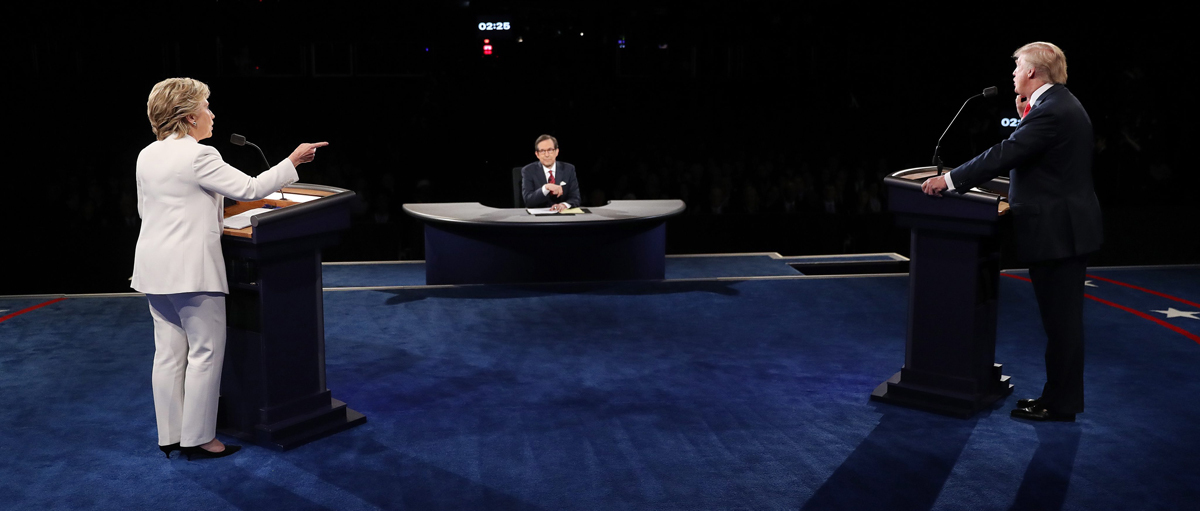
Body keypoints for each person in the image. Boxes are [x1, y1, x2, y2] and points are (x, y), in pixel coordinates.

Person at [132, 77, 328, 458]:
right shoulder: (199, 156)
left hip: (154, 268)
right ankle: (201, 439)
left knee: (169, 353)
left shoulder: (146, 154)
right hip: (191, 270)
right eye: (206, 107)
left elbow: (147, 211)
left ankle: (170, 435)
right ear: (189, 117)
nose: (212, 114)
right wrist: (293, 161)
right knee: (205, 352)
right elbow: (252, 188)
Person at [921, 42, 1103, 422]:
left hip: (1060, 233)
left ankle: (1061, 403)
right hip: (1063, 229)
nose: (1014, 73)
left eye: (1018, 66)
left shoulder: (1052, 111)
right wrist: (1024, 117)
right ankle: (1056, 397)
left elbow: (1004, 154)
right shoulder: (1057, 105)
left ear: (1034, 72)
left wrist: (951, 180)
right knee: (1059, 325)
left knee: (1062, 326)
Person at [521, 134, 581, 212]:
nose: (546, 155)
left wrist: (563, 205)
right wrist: (546, 188)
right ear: (537, 154)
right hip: (538, 219)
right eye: (542, 151)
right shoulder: (528, 170)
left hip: (563, 217)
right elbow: (528, 201)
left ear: (557, 152)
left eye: (550, 150)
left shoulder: (569, 169)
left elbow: (575, 198)